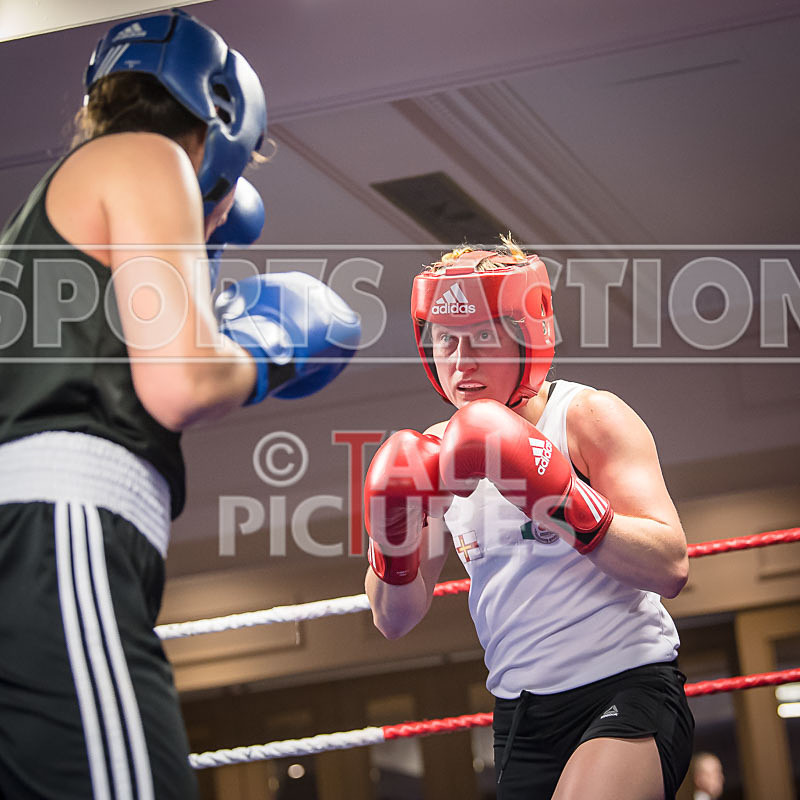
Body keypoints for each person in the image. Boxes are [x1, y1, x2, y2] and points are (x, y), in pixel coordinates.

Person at [0, 9, 359, 799]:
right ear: (220, 129)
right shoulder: (148, 157)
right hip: (60, 536)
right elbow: (183, 383)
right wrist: (270, 347)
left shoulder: (42, 228)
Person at [364, 240, 694, 799]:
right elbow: (393, 619)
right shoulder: (432, 455)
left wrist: (554, 492)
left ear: (526, 334)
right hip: (521, 718)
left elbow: (671, 566)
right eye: (446, 339)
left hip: (628, 687)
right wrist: (392, 542)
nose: (460, 359)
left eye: (482, 337)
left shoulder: (588, 416)